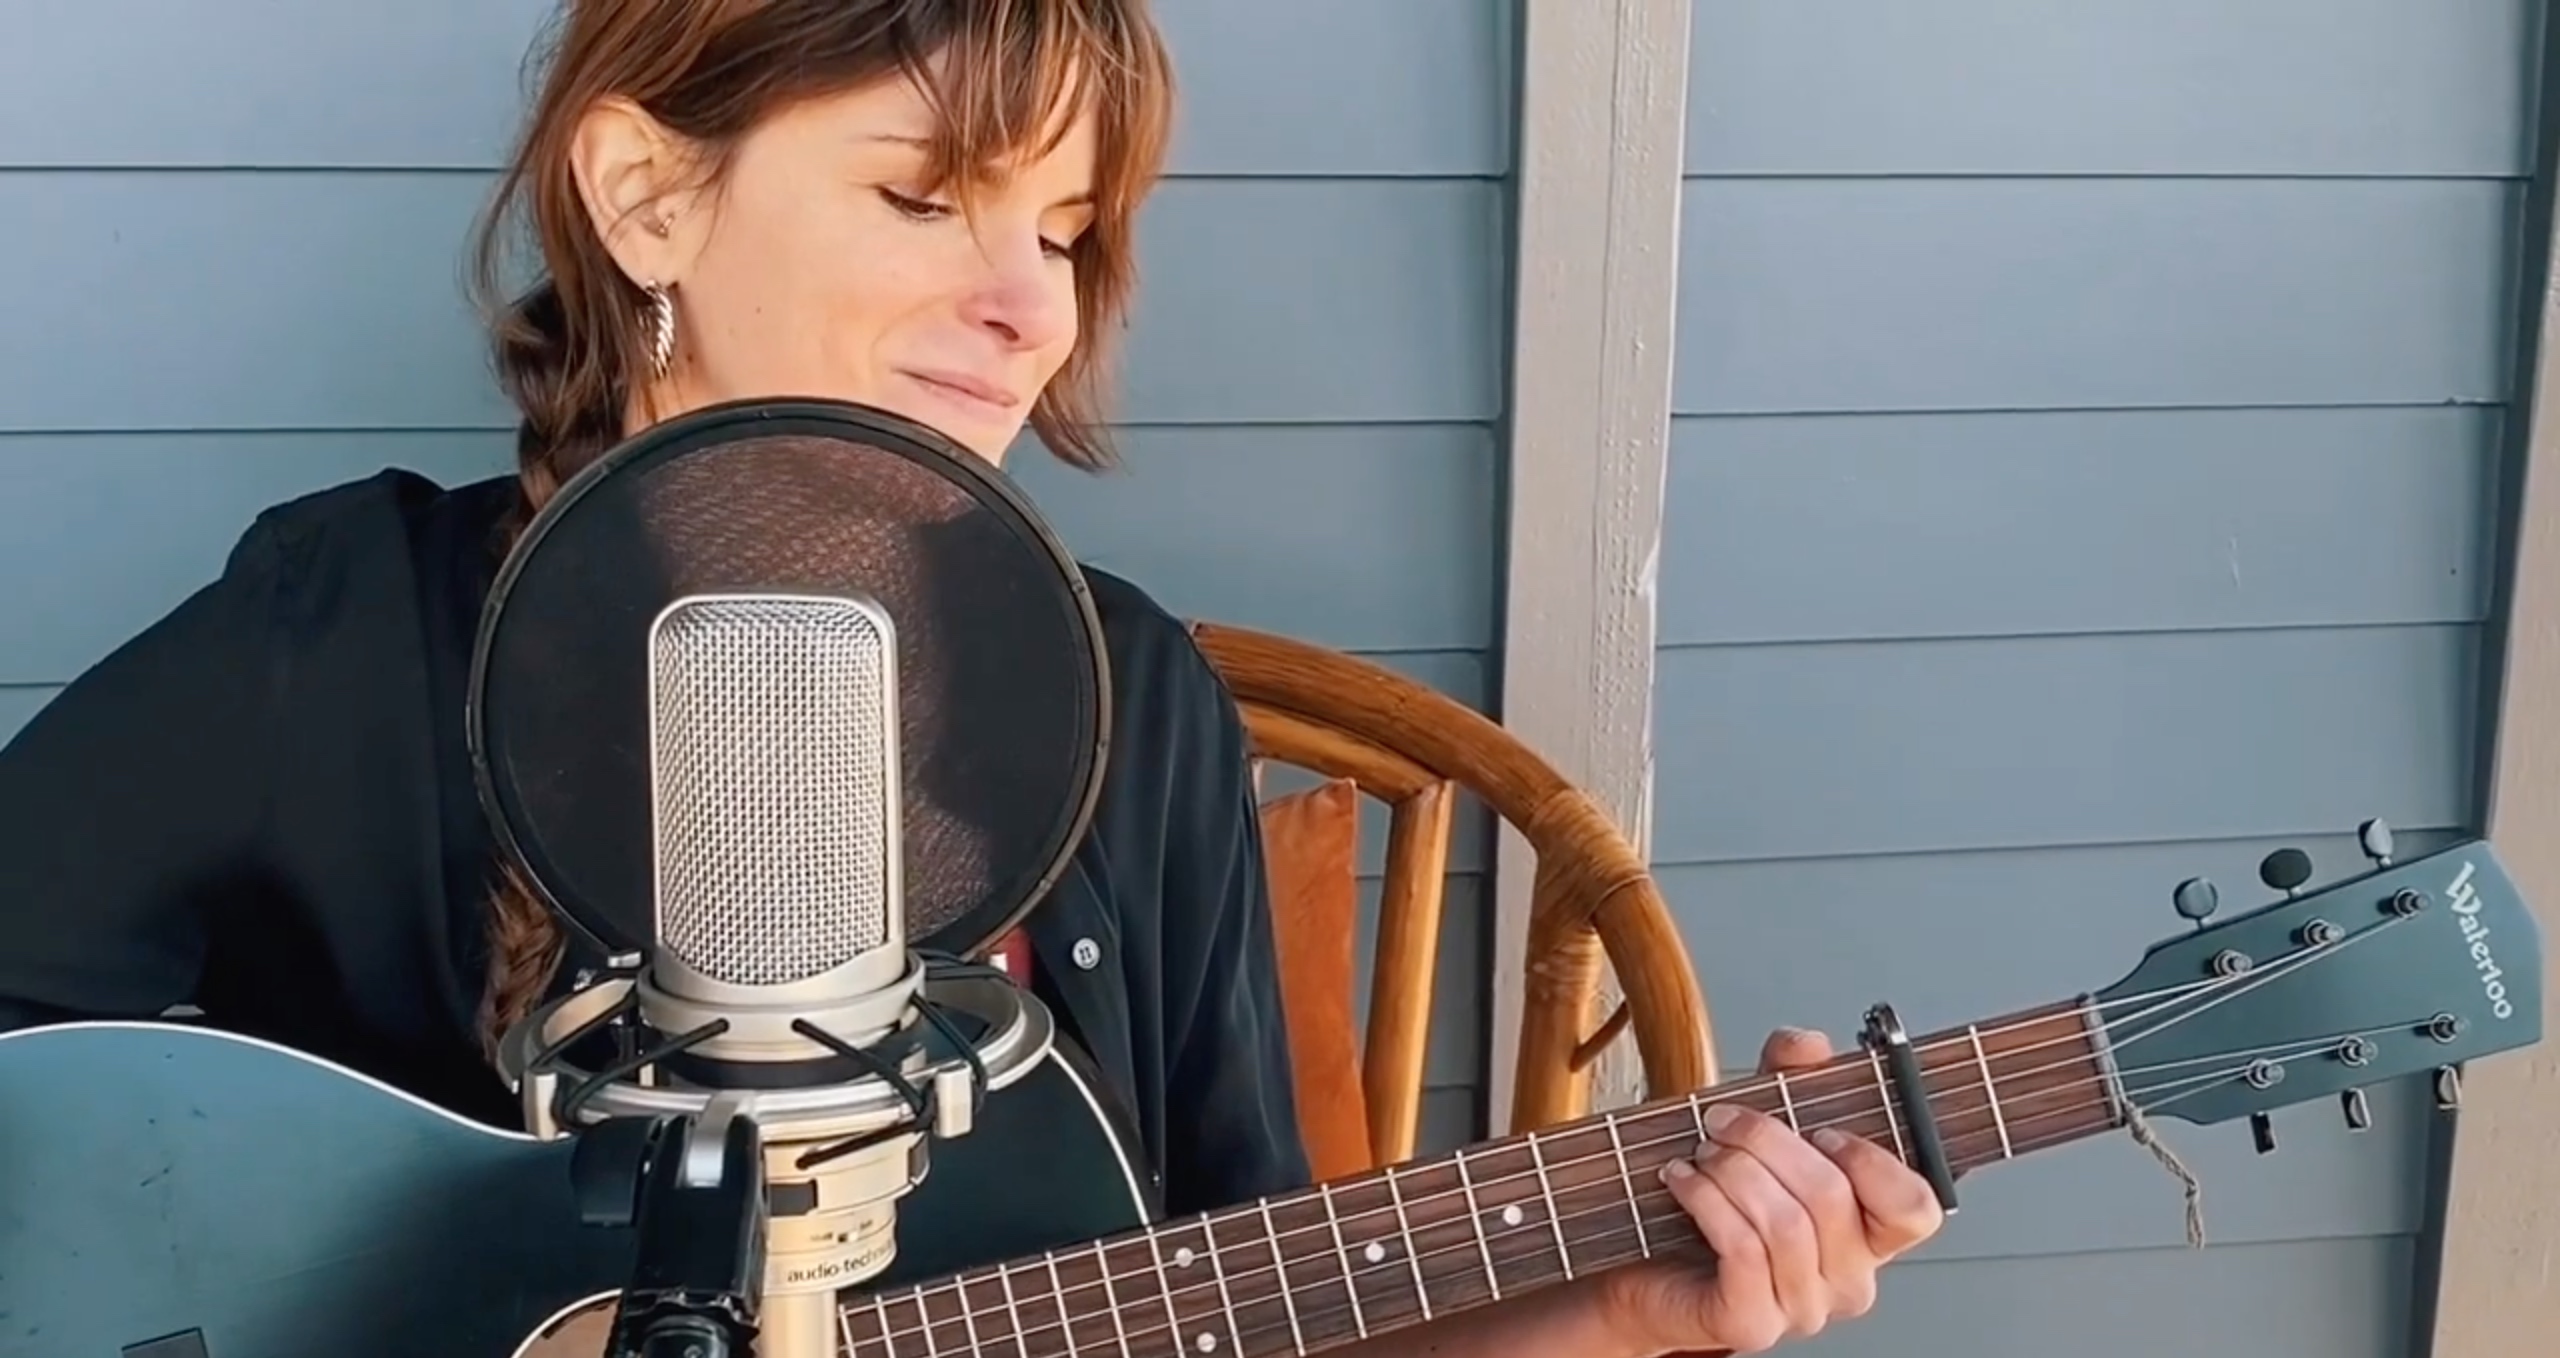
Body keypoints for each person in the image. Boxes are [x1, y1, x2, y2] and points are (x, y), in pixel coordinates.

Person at [0, 2, 1944, 1354]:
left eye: (1065, 228)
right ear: (645, 193)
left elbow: (1235, 1309)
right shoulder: (341, 628)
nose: (1029, 305)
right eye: (926, 194)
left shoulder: (1132, 709)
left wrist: (1623, 1303)